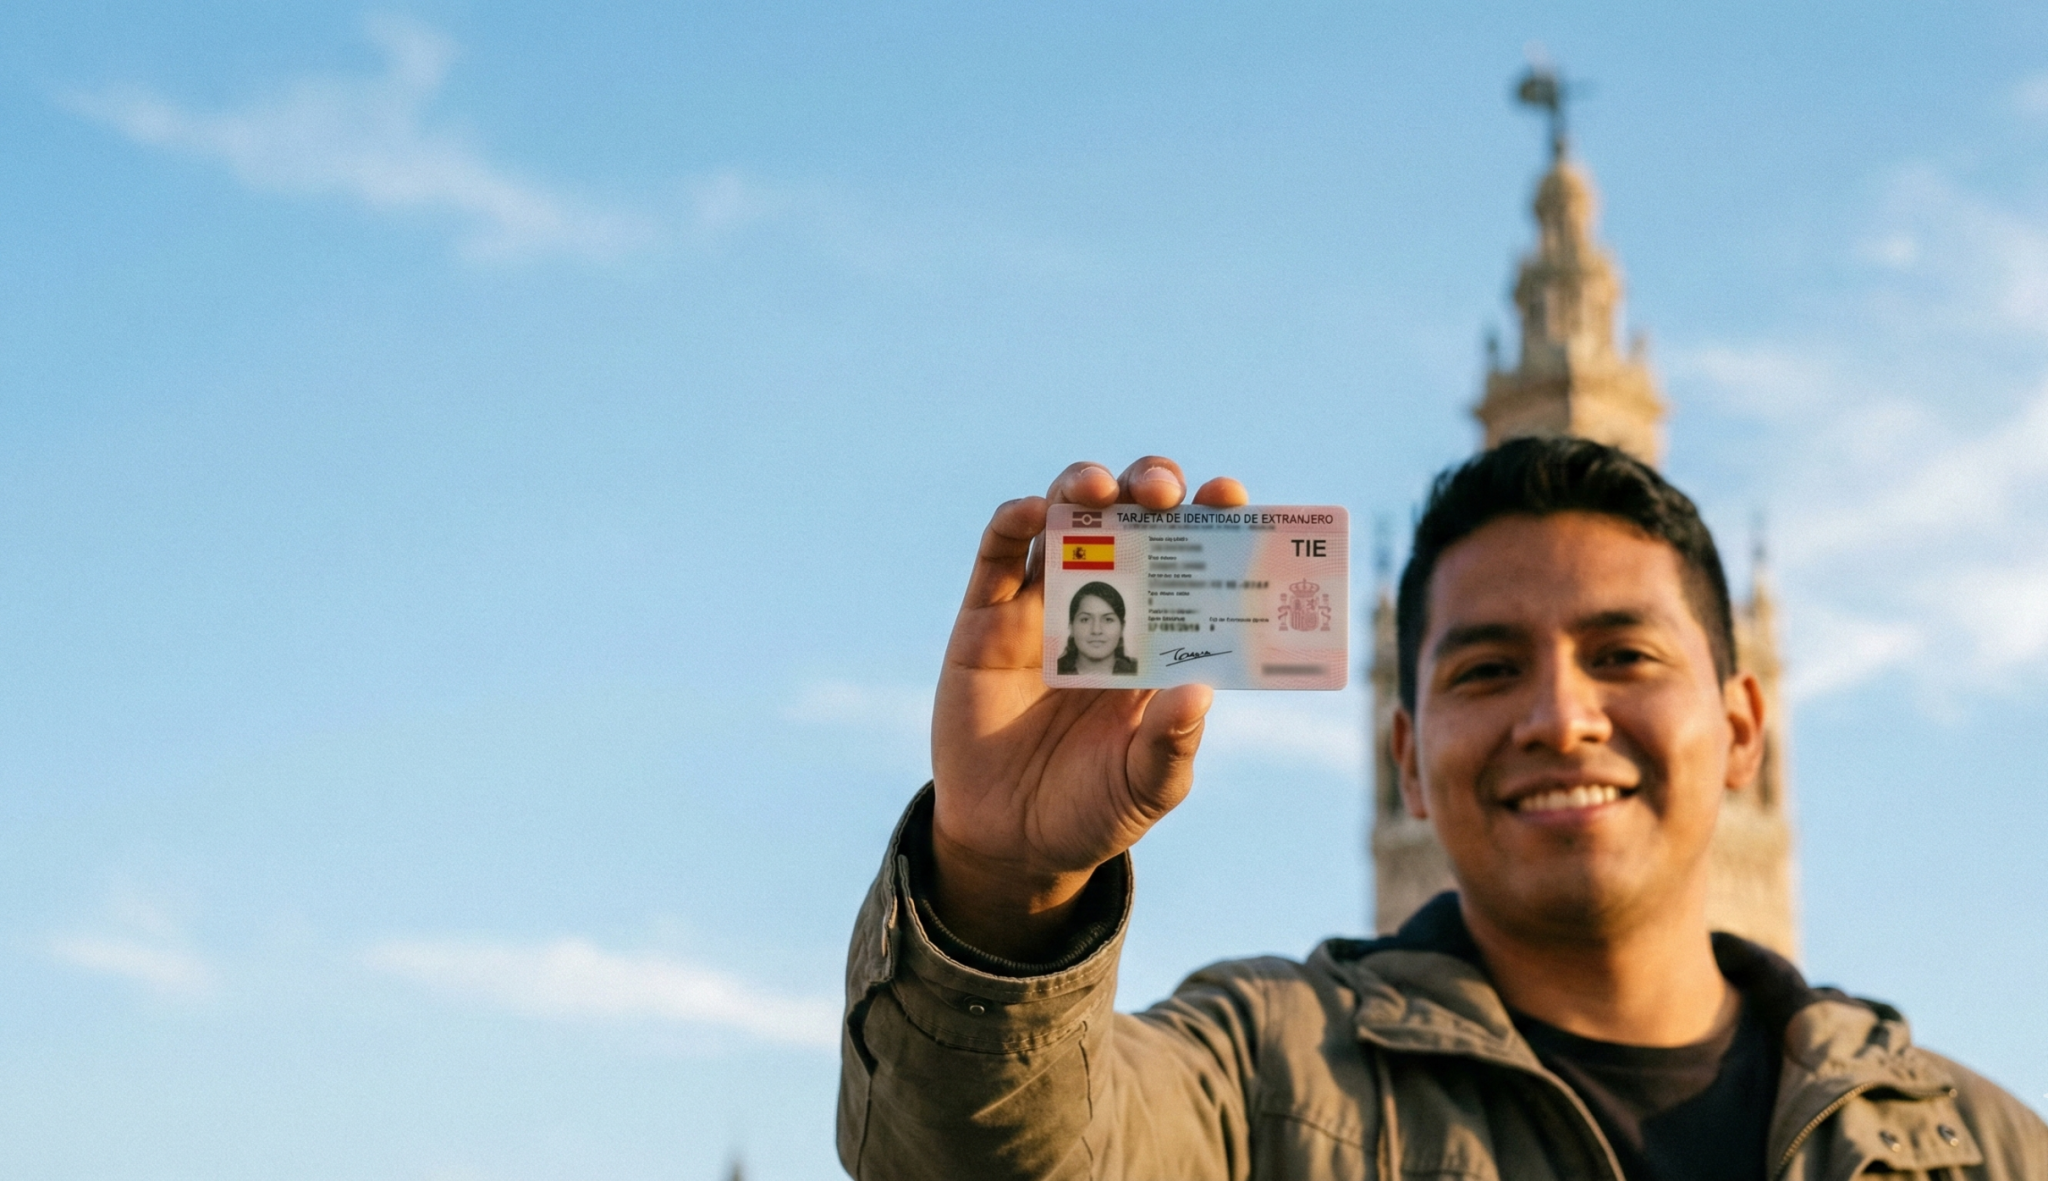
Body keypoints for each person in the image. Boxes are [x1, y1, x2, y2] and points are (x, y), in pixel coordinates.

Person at [837, 440, 2048, 1180]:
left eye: (1621, 653)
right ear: (1402, 760)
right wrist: (997, 889)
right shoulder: (1262, 1078)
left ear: (1742, 726)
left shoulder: (1973, 1149)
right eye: (1484, 667)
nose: (1558, 716)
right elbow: (1007, 1155)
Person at [1055, 581, 1140, 676]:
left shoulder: (1139, 671)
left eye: (1108, 619)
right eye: (1085, 620)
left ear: (1122, 627)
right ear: (1071, 626)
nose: (1096, 630)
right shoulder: (1053, 670)